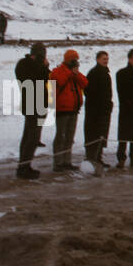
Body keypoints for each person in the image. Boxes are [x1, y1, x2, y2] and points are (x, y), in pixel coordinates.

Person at [14, 42, 49, 179]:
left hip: (37, 104)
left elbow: (45, 80)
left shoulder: (27, 64)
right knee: (31, 137)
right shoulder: (24, 64)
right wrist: (42, 66)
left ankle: (25, 165)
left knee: (30, 136)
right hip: (31, 104)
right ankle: (24, 166)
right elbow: (34, 79)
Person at [49, 49, 87, 171]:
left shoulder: (74, 73)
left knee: (70, 137)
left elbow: (85, 83)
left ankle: (67, 161)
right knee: (61, 136)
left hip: (74, 109)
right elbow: (58, 81)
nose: (75, 61)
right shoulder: (58, 71)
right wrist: (70, 72)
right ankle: (58, 162)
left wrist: (76, 73)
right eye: (73, 59)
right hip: (62, 109)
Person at [84, 50, 114, 167]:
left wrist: (108, 104)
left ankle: (98, 157)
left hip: (104, 109)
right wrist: (97, 104)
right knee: (93, 134)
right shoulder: (93, 73)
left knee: (101, 134)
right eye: (103, 59)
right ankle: (91, 157)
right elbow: (88, 91)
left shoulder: (106, 73)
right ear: (97, 60)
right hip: (94, 110)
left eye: (107, 59)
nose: (106, 61)